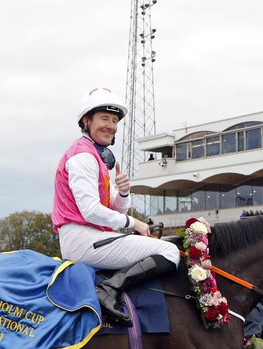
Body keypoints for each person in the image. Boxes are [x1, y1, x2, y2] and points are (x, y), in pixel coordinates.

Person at [52, 87, 180, 327]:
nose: (110, 125)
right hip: (81, 238)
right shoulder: (83, 157)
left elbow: (115, 210)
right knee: (169, 252)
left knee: (167, 246)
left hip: (90, 236)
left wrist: (123, 192)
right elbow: (91, 211)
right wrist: (137, 224)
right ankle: (107, 290)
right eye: (104, 119)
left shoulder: (95, 156)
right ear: (86, 121)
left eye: (114, 120)